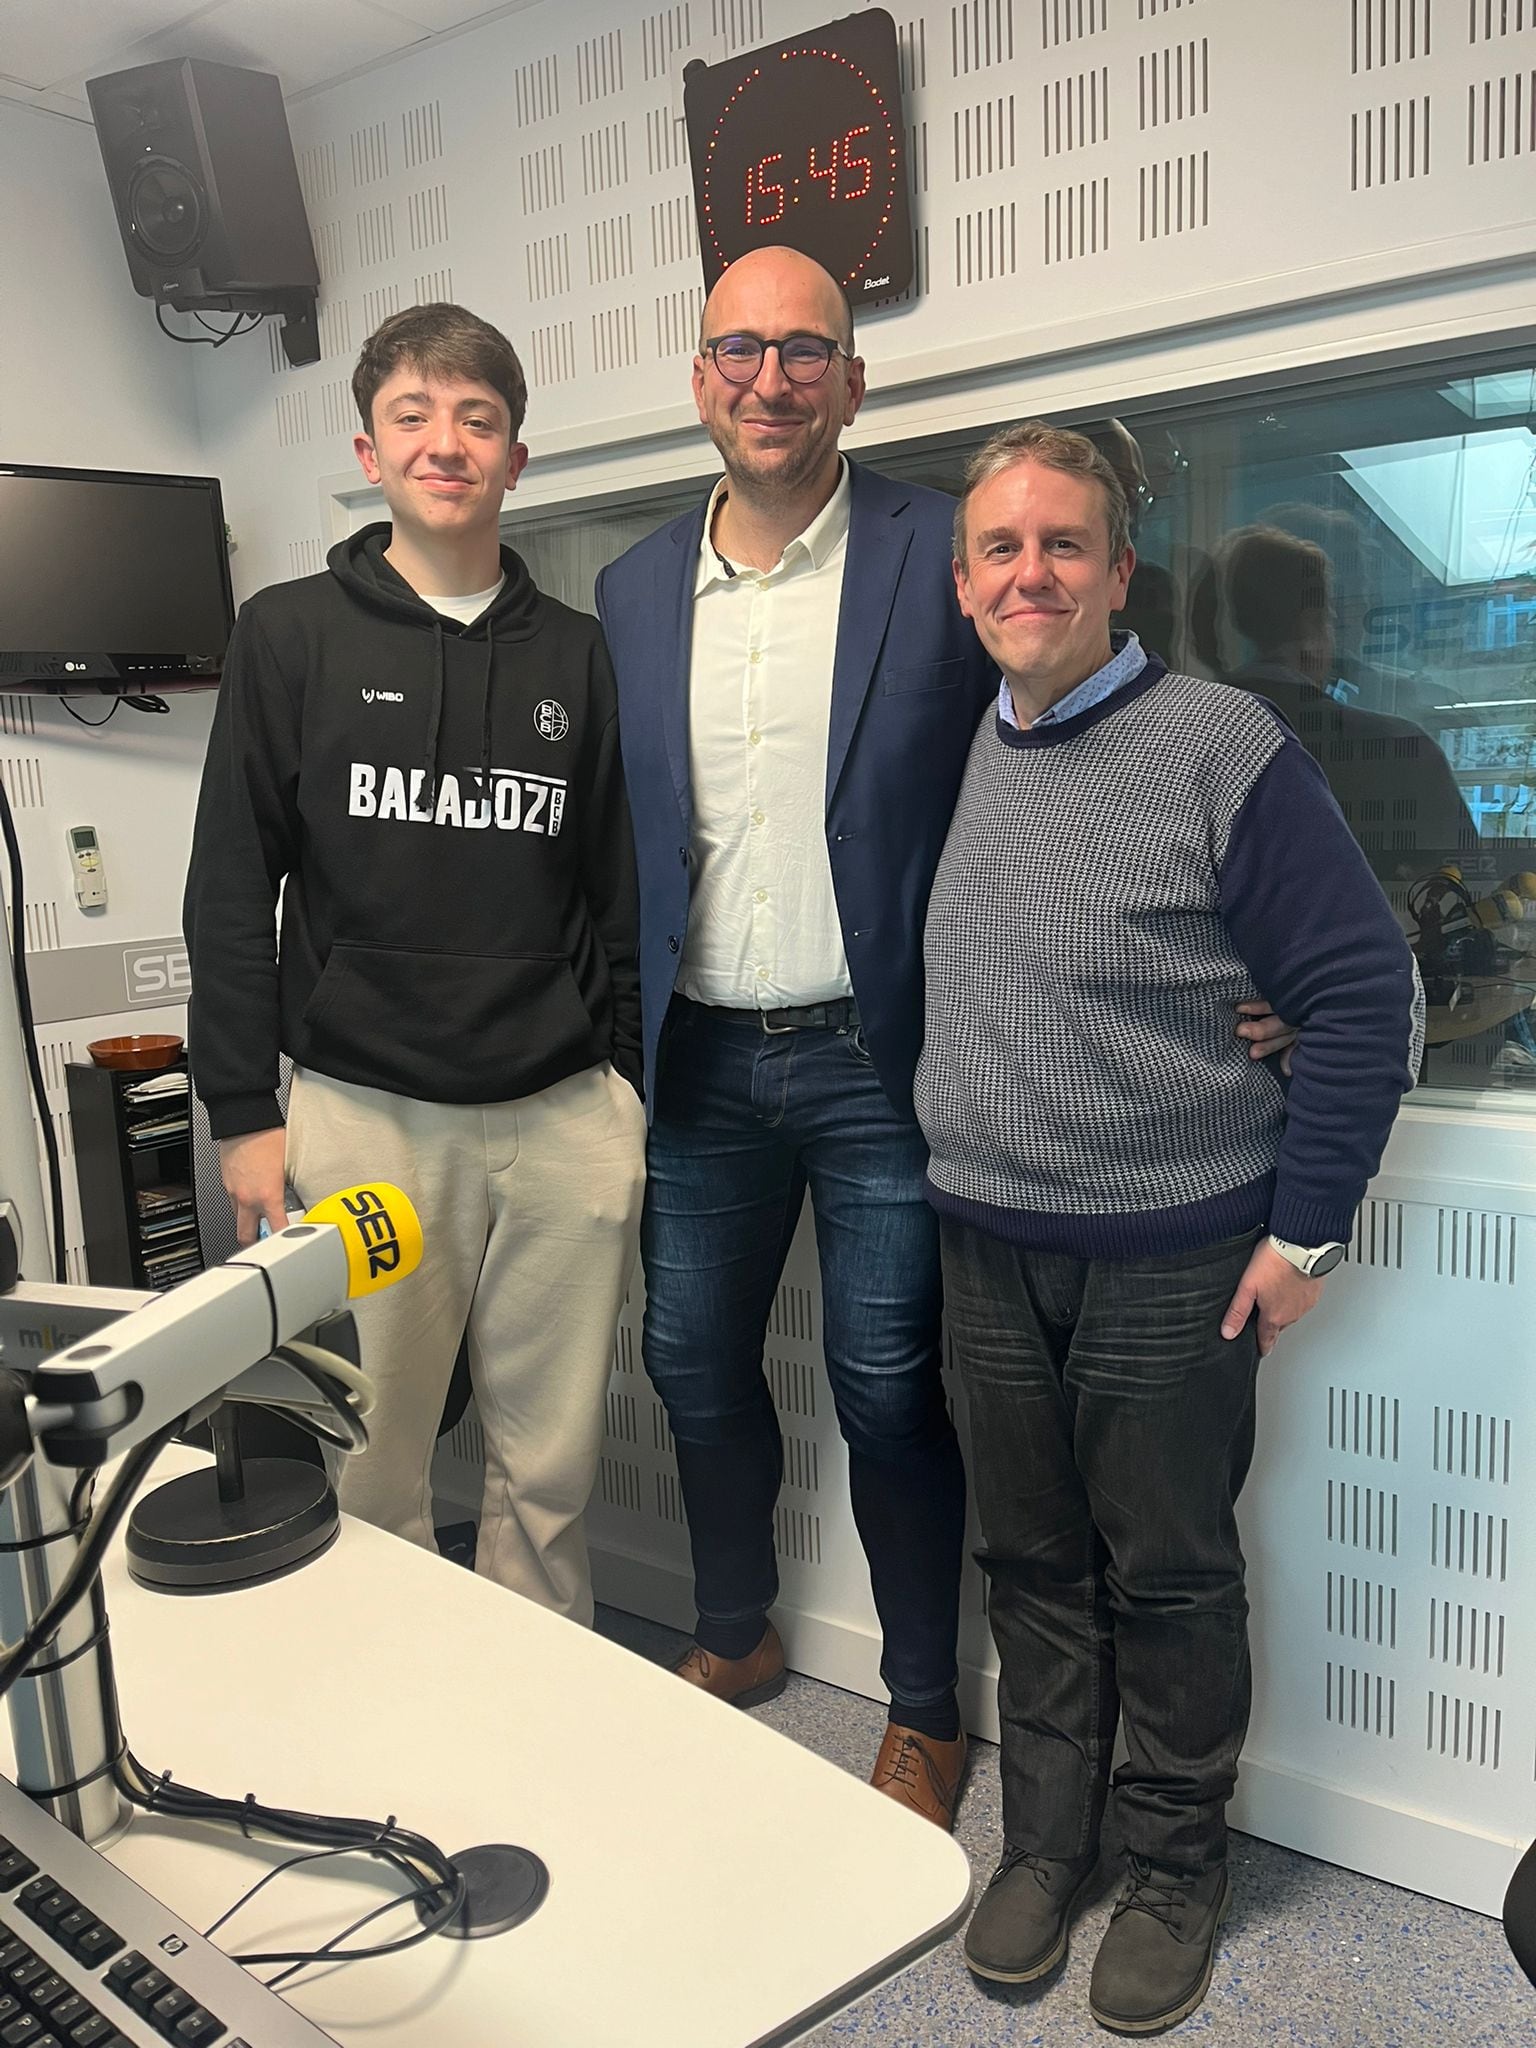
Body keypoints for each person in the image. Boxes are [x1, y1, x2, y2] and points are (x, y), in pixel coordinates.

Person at [595, 249, 1292, 1828]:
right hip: (700, 1055)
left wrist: (1269, 968)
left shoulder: (948, 550)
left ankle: (920, 1705)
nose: (771, 379)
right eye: (739, 350)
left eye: (806, 351)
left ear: (855, 378)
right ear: (699, 376)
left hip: (886, 1059)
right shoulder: (631, 589)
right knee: (688, 1361)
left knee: (891, 1382)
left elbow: (1096, 733)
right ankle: (733, 1629)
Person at [918, 421, 1422, 2030]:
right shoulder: (970, 741)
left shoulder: (1220, 745)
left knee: (1171, 1578)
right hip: (987, 1243)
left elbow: (1361, 995)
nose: (1030, 573)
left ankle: (1175, 1865)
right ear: (963, 581)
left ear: (1120, 572)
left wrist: (1308, 1233)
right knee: (1031, 1563)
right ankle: (1046, 1843)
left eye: (1064, 544)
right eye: (1000, 547)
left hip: (1175, 1254)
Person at [183, 302, 646, 1624]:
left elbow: (610, 885)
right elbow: (230, 887)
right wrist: (243, 1118)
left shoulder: (576, 654)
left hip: (562, 1117)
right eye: (416, 416)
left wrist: (620, 1088)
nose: (448, 443)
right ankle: (393, 1721)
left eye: (478, 419)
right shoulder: (288, 636)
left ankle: (538, 1710)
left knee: (550, 1471)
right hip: (366, 1117)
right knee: (374, 1459)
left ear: (514, 457)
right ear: (369, 450)